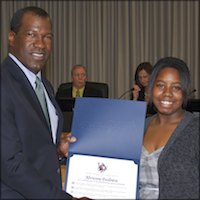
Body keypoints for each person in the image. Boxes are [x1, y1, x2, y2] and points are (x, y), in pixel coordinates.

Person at [1, 6, 90, 200]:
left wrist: (57, 149)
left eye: (47, 36)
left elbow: (35, 144)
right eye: (31, 34)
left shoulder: (45, 86)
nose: (41, 44)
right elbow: (10, 164)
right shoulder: (3, 83)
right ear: (12, 37)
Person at [139, 57, 199, 199]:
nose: (167, 93)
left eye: (176, 87)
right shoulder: (138, 127)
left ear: (184, 92)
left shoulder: (196, 130)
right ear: (151, 88)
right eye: (160, 85)